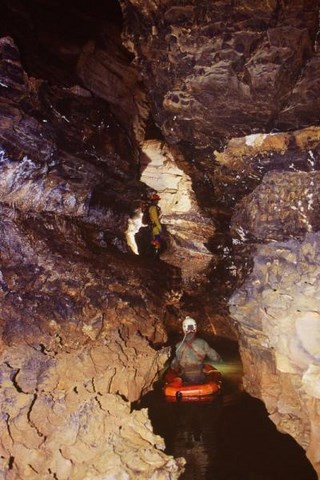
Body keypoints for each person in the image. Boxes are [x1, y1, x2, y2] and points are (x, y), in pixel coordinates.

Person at [171, 316, 222, 384]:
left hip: (184, 377)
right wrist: (220, 361)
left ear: (184, 328)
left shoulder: (178, 345)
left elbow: (174, 365)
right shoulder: (202, 343)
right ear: (195, 327)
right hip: (200, 377)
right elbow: (215, 357)